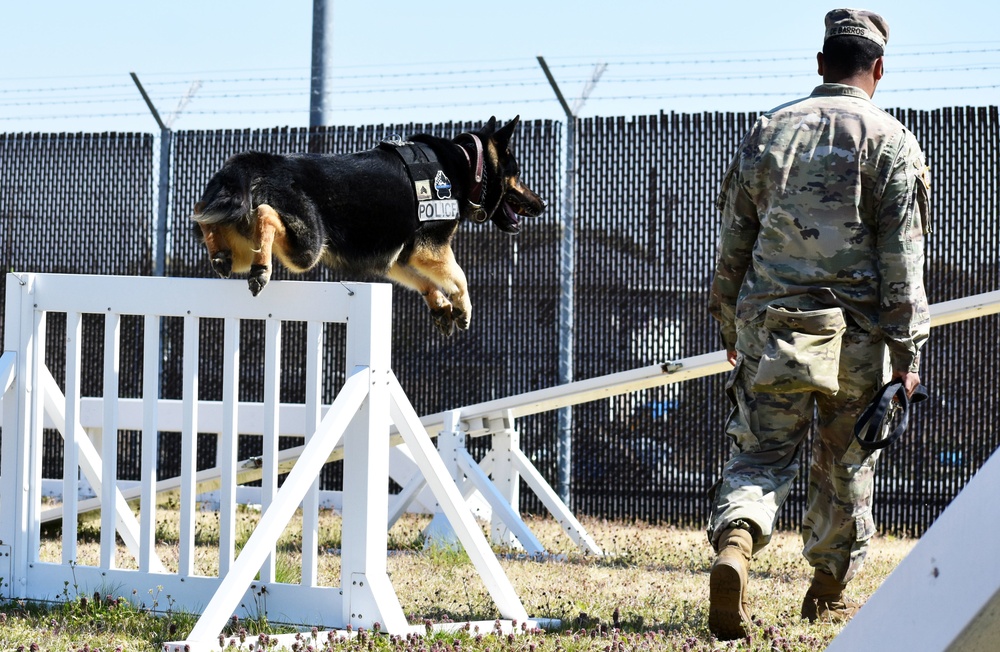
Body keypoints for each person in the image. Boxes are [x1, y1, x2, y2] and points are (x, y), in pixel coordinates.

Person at [705, 8, 931, 641]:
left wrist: (729, 325)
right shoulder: (892, 143)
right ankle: (827, 592)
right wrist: (908, 354)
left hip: (771, 330)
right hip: (855, 341)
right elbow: (902, 263)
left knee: (760, 452)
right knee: (846, 464)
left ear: (820, 62)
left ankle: (736, 548)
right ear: (878, 69)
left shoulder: (768, 133)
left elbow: (733, 244)